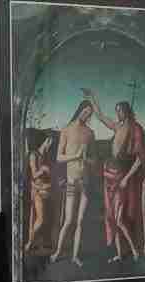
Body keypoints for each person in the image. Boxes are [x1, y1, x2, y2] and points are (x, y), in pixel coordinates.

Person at [87, 94, 145, 262]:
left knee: (119, 219)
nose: (117, 114)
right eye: (116, 111)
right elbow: (100, 117)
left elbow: (140, 158)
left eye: (119, 111)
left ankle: (134, 251)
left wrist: (126, 178)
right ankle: (119, 254)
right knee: (112, 218)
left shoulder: (135, 128)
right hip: (109, 175)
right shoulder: (117, 126)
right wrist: (92, 99)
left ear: (126, 111)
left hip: (121, 176)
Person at [50, 102, 95, 268]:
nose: (87, 115)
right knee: (68, 220)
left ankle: (75, 256)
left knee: (80, 221)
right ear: (79, 110)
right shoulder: (67, 130)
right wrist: (75, 156)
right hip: (71, 181)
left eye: (90, 114)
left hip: (85, 182)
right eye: (85, 111)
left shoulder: (90, 133)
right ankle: (57, 252)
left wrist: (87, 159)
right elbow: (58, 157)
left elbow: (94, 160)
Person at [24, 135, 54, 254]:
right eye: (48, 141)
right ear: (43, 141)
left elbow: (48, 175)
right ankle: (29, 243)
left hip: (44, 189)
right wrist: (43, 170)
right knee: (40, 219)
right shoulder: (34, 155)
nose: (50, 144)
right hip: (36, 190)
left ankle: (33, 243)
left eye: (51, 142)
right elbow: (34, 175)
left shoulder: (44, 155)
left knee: (43, 219)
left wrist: (49, 177)